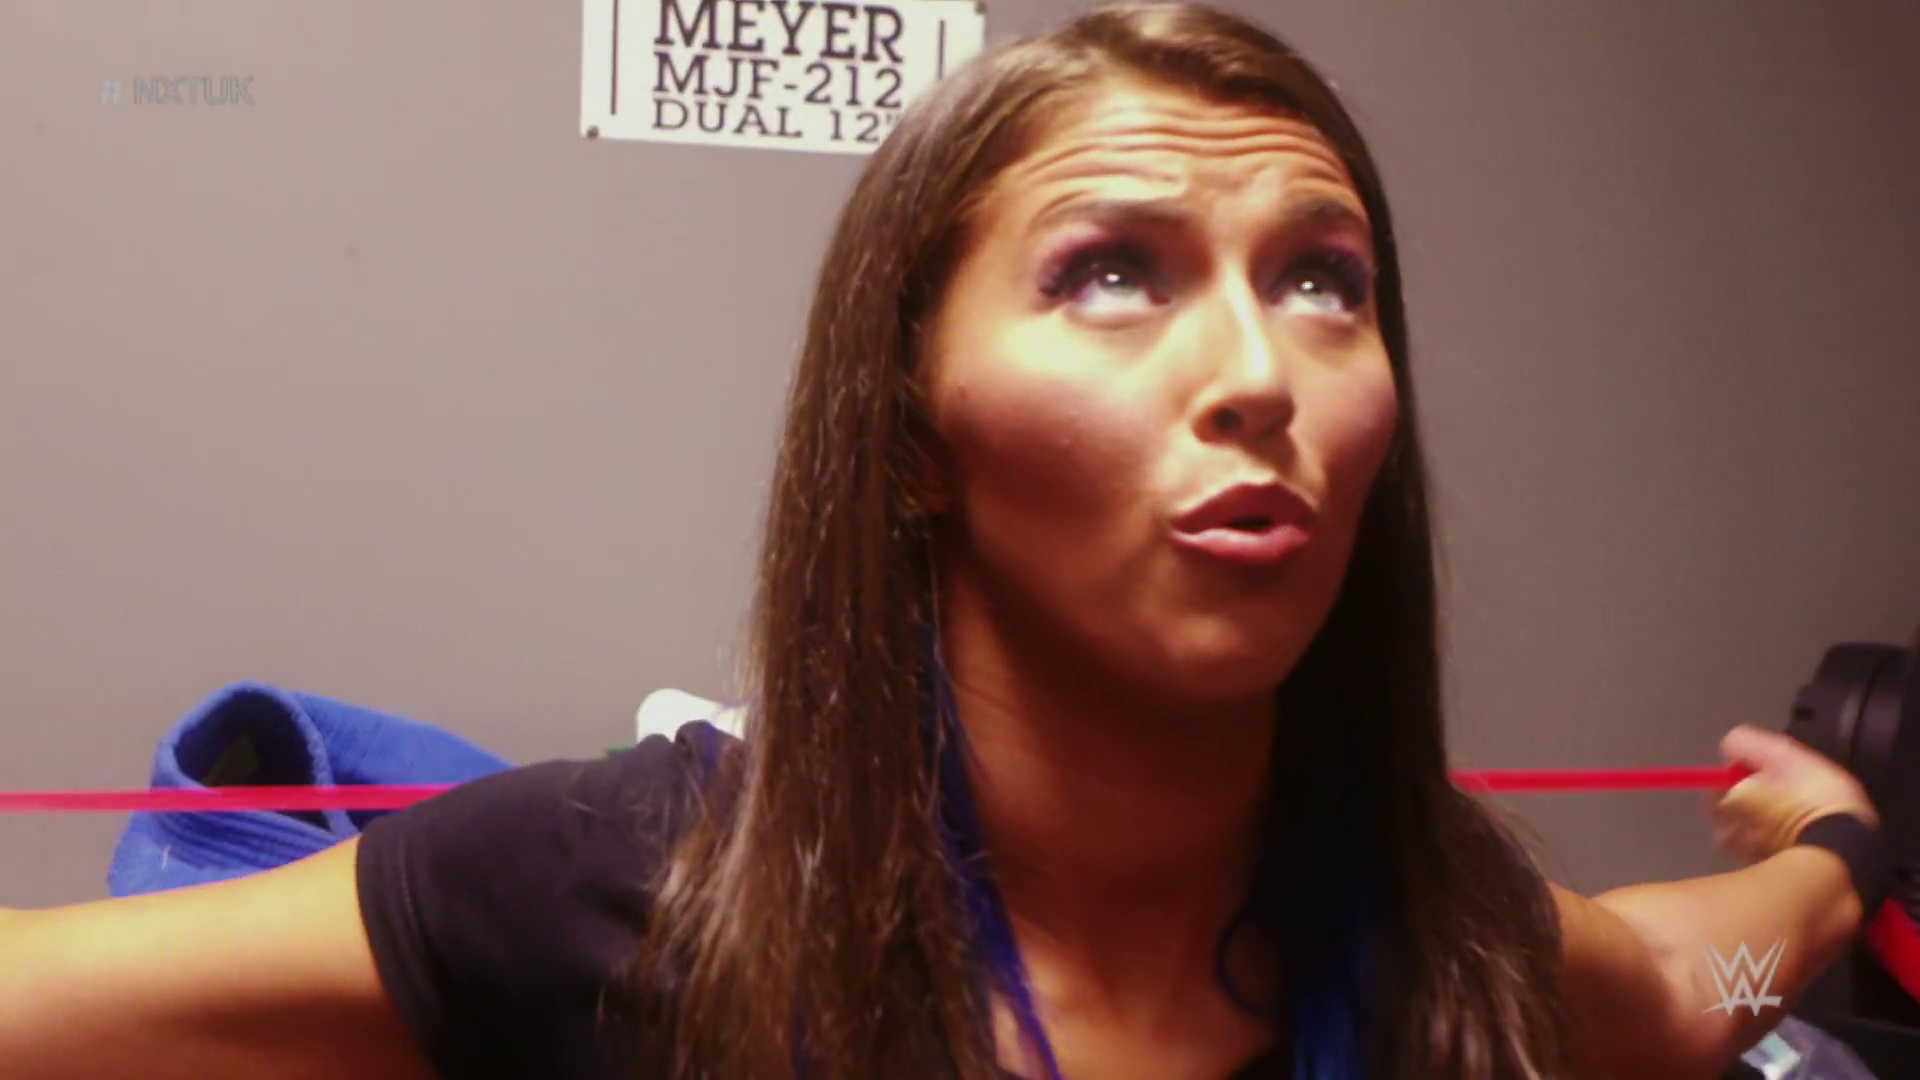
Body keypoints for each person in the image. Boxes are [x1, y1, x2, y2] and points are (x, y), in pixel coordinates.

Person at [0, 3, 1889, 1078]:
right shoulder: (631, 890)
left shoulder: (1444, 946)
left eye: (1325, 281)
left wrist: (1834, 851)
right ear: (906, 432)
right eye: (1111, 273)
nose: (1260, 373)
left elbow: (1694, 989)